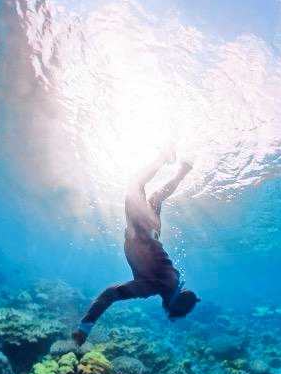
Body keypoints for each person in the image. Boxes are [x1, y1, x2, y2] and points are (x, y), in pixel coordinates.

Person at [73, 147, 199, 345]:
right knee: (136, 185)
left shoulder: (175, 280)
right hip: (142, 228)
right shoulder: (153, 286)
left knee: (156, 198)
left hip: (154, 230)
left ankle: (183, 170)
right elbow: (111, 294)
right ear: (170, 304)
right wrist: (85, 326)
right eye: (170, 311)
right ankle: (163, 157)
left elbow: (183, 293)